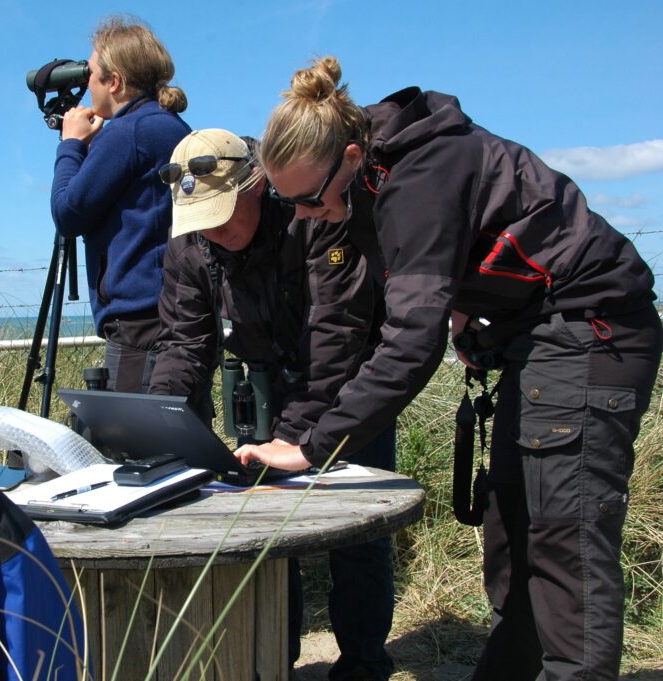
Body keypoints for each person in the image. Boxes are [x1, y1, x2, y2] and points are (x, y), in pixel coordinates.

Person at [241, 56, 662, 681]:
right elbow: (356, 320)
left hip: (592, 328)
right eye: (287, 202)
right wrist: (470, 314)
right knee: (514, 529)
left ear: (351, 155)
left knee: (561, 535)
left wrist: (315, 447)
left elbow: (411, 342)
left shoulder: (420, 176)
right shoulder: (364, 186)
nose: (301, 216)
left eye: (308, 200)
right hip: (534, 336)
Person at [149, 128, 396, 680]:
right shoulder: (191, 242)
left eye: (222, 213)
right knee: (263, 535)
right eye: (200, 218)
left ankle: (362, 665)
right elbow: (183, 344)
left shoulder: (314, 211)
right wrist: (161, 421)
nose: (212, 228)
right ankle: (272, 664)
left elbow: (337, 340)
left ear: (257, 185)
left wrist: (295, 437)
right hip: (263, 392)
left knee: (358, 534)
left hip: (351, 392)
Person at [50, 16, 190, 393]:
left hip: (138, 322)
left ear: (115, 82)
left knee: (138, 444)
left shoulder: (127, 133)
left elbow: (67, 214)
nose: (86, 86)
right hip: (178, 312)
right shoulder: (170, 125)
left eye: (91, 75)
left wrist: (71, 145)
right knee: (177, 433)